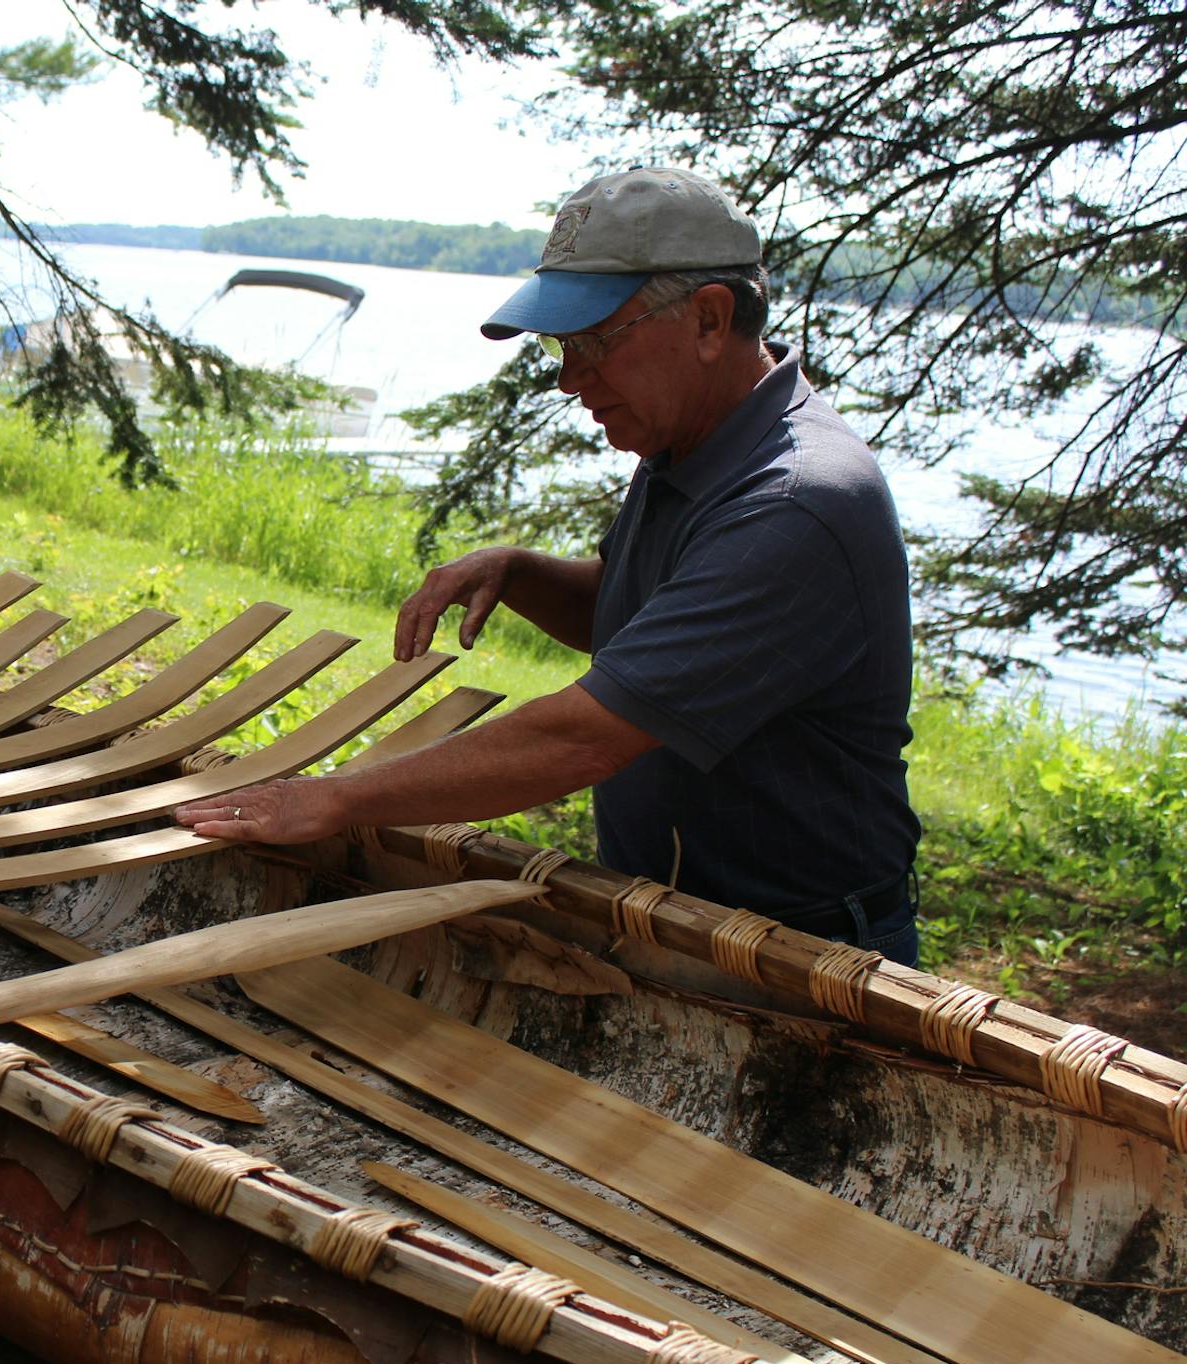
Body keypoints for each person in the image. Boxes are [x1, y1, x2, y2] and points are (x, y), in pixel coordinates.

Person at [173, 166, 922, 963]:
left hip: (801, 947)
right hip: (678, 912)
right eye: (564, 348)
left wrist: (334, 800)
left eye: (595, 342)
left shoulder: (795, 501)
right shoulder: (692, 446)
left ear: (710, 319)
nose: (571, 380)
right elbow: (647, 618)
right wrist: (524, 572)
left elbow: (582, 738)